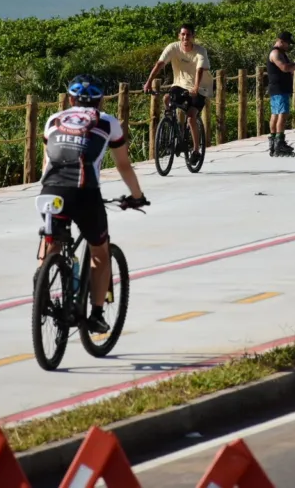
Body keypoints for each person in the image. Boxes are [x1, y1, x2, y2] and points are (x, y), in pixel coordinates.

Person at [37, 74, 149, 333]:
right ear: (100, 102)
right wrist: (137, 196)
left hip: (50, 190)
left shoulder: (53, 120)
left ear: (70, 99)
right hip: (84, 192)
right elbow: (123, 165)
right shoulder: (108, 122)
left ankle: (41, 284)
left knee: (50, 241)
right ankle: (96, 314)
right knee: (100, 252)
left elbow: (47, 164)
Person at [143, 24, 214, 166]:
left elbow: (200, 70)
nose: (185, 37)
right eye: (183, 34)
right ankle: (172, 124)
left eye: (188, 34)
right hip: (180, 84)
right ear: (178, 36)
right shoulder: (173, 48)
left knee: (191, 117)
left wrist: (195, 88)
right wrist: (148, 82)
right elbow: (160, 64)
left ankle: (195, 150)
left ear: (193, 36)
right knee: (167, 98)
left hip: (201, 88)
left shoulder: (200, 51)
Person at [266, 31, 295, 156]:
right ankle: (279, 142)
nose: (288, 46)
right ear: (281, 41)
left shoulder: (281, 53)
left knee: (276, 114)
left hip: (278, 88)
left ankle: (273, 142)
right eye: (287, 43)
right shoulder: (275, 53)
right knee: (282, 114)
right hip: (279, 88)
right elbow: (285, 68)